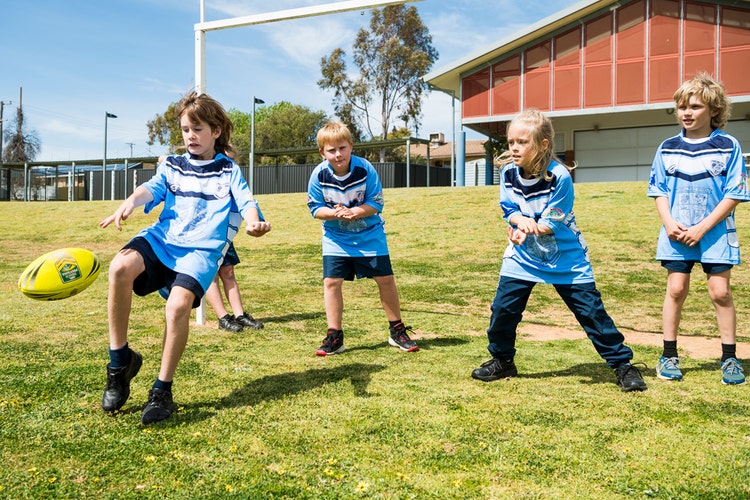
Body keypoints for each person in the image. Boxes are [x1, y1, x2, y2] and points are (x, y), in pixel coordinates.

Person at [98, 91, 271, 424]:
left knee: (177, 307)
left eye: (198, 129)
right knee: (119, 266)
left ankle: (162, 391)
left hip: (201, 251)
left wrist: (253, 223)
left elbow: (247, 202)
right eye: (185, 129)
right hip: (165, 239)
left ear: (216, 131)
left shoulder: (228, 170)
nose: (191, 136)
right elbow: (151, 188)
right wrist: (129, 202)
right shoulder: (173, 165)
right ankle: (119, 362)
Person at [471, 109, 647, 392]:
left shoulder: (560, 176)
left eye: (522, 142)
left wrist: (526, 227)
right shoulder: (506, 173)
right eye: (511, 141)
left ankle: (622, 365)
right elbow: (509, 209)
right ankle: (502, 360)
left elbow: (550, 224)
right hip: (522, 256)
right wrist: (517, 225)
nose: (514, 148)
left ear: (542, 144)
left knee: (592, 314)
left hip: (566, 258)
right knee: (503, 311)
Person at [648, 73, 749, 385]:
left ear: (714, 110)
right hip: (677, 233)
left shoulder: (728, 146)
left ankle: (730, 358)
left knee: (720, 293)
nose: (686, 113)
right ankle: (668, 355)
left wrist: (703, 227)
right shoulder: (667, 147)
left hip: (715, 233)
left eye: (694, 106)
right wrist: (668, 222)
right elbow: (659, 190)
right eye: (681, 107)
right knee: (676, 289)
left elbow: (735, 193)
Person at [306, 121, 418, 356]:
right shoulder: (318, 174)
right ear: (322, 152)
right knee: (331, 283)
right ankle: (334, 337)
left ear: (351, 146)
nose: (338, 154)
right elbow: (315, 209)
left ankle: (397, 331)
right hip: (336, 237)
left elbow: (376, 202)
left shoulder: (365, 168)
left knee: (385, 279)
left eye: (342, 148)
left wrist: (354, 212)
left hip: (370, 235)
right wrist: (335, 213)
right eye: (331, 150)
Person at [205, 241, 264, 332]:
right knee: (212, 274)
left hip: (223, 234)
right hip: (202, 237)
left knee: (229, 272)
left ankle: (240, 316)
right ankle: (223, 318)